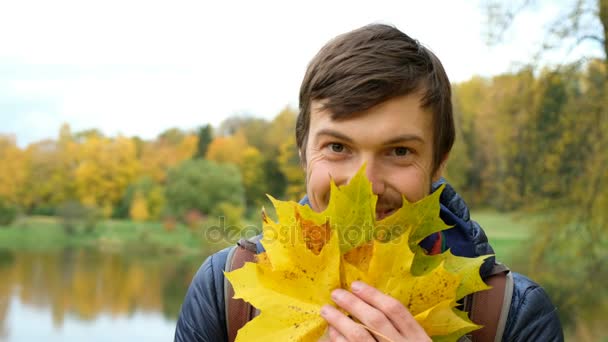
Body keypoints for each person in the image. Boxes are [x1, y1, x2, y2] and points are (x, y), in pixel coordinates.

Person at [174, 24, 564, 341]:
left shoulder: (512, 315)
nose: (366, 185)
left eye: (398, 151)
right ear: (302, 151)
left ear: (439, 163)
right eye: (338, 146)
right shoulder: (226, 289)